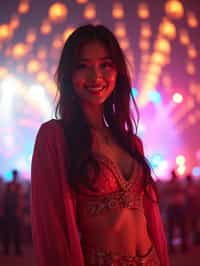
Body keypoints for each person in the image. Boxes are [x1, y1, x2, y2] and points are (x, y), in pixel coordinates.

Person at [31, 24, 169, 266]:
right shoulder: (54, 137)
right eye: (83, 66)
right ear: (68, 75)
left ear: (117, 71)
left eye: (105, 65)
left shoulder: (131, 143)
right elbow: (52, 229)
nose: (96, 77)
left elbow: (150, 220)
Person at [1, 169, 24, 255]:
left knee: (15, 231)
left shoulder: (16, 185)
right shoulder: (10, 185)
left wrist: (19, 210)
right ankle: (9, 249)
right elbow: (4, 198)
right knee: (8, 231)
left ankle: (15, 249)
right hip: (9, 211)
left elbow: (19, 199)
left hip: (13, 211)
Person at [165, 169, 187, 253]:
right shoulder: (172, 183)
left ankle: (183, 246)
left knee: (181, 226)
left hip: (177, 205)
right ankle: (174, 247)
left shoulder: (177, 182)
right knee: (173, 227)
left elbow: (182, 190)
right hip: (173, 206)